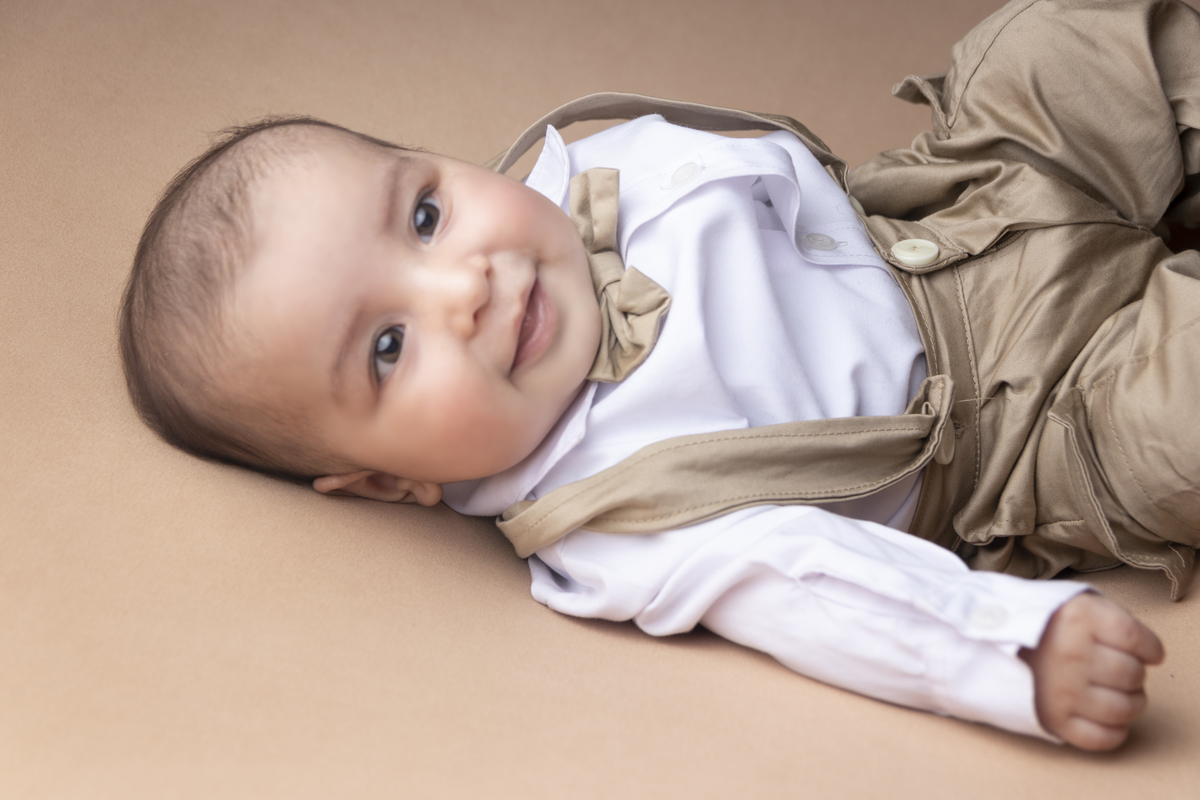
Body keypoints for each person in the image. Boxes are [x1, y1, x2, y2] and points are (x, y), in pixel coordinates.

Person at [119, 0, 1199, 750]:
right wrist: (1004, 650)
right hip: (1036, 420)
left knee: (1065, 45)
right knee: (1176, 421)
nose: (463, 287)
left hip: (956, 192)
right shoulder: (617, 517)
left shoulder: (581, 175)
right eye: (388, 348)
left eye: (425, 215)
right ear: (392, 480)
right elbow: (814, 589)